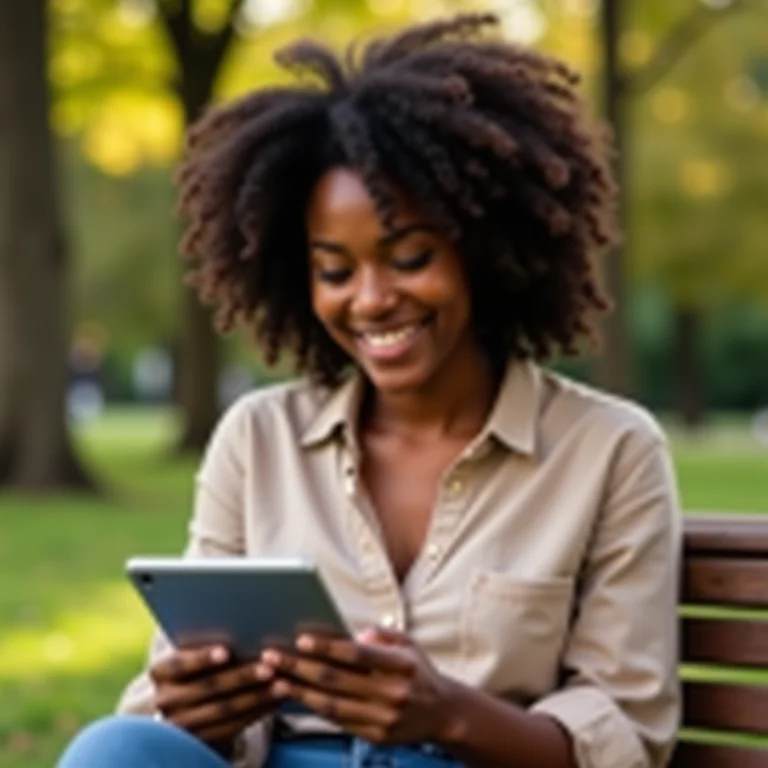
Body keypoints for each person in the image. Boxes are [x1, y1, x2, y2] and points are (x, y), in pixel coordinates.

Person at [57, 13, 681, 768]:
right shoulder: (258, 440)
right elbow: (170, 711)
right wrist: (204, 710)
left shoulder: (609, 450)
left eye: (410, 256)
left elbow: (625, 734)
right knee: (116, 749)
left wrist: (449, 715)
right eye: (335, 270)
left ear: (483, 251)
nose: (372, 299)